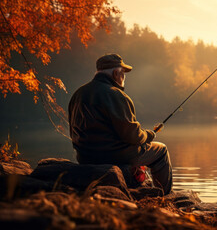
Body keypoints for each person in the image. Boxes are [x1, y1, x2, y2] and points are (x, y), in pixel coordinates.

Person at [68, 53, 173, 194]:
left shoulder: (78, 94)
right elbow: (133, 136)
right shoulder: (116, 95)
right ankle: (164, 195)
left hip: (84, 156)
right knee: (161, 150)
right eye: (123, 73)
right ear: (116, 73)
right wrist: (149, 135)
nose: (124, 77)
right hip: (114, 155)